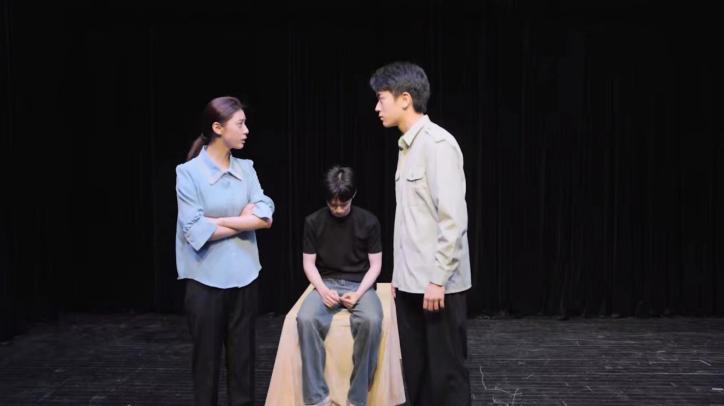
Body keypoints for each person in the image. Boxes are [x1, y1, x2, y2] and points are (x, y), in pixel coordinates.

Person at [369, 62, 472, 405]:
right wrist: (399, 277)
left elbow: (452, 220)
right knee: (418, 376)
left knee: (447, 377)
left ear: (404, 98)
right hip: (411, 284)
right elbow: (411, 222)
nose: (377, 107)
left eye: (381, 98)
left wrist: (438, 279)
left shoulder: (438, 144)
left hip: (437, 287)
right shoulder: (407, 147)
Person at [175, 96, 274, 406]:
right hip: (205, 281)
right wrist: (244, 221)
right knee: (206, 364)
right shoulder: (188, 173)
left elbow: (265, 213)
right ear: (218, 128)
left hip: (244, 277)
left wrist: (218, 222)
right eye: (240, 124)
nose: (246, 130)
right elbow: (194, 232)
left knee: (243, 363)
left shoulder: (246, 168)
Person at [296, 166, 383, 406]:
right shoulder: (313, 221)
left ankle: (357, 398)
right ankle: (317, 398)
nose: (337, 209)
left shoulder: (369, 221)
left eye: (343, 204)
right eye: (332, 204)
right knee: (305, 319)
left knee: (371, 320)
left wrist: (358, 293)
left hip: (360, 284)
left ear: (353, 196)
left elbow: (376, 265)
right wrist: (323, 291)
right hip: (326, 283)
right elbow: (308, 264)